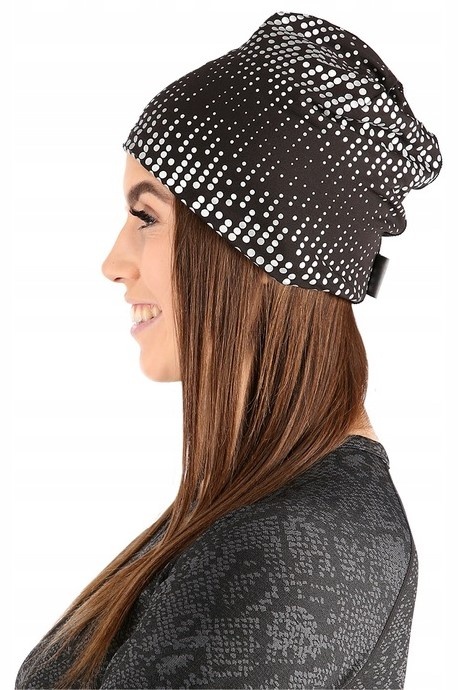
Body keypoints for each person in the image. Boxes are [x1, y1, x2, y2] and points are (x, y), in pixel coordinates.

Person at [15, 10, 442, 690]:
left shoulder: (293, 550)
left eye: (146, 217)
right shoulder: (271, 512)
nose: (114, 263)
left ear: (257, 254)